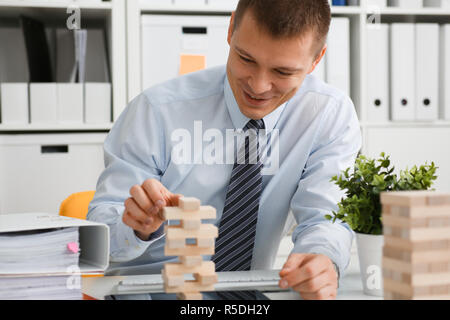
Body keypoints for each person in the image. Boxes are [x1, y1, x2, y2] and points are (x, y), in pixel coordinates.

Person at [87, 0, 362, 300]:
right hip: (152, 294)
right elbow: (102, 237)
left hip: (249, 299)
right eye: (246, 58)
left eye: (282, 72)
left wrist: (321, 258)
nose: (258, 86)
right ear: (231, 29)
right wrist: (137, 227)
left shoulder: (328, 115)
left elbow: (326, 216)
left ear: (316, 60)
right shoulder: (157, 111)